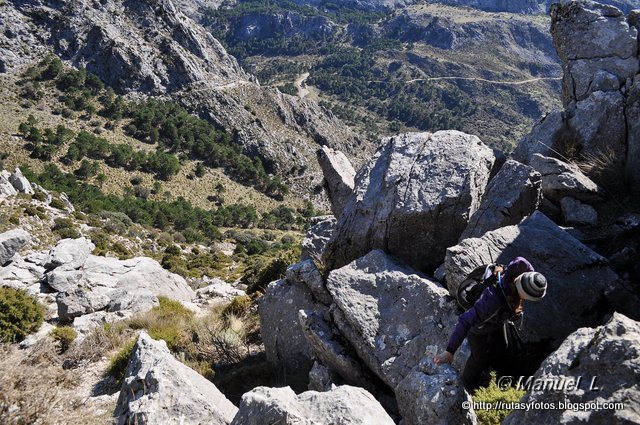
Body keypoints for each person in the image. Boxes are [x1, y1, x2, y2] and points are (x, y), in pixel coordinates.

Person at [433, 257, 547, 392]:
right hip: (479, 328)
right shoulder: (491, 301)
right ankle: (465, 388)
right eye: (528, 297)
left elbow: (519, 260)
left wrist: (527, 277)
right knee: (478, 359)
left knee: (503, 346)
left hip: (497, 321)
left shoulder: (520, 269)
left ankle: (495, 372)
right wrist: (449, 351)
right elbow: (465, 320)